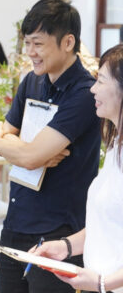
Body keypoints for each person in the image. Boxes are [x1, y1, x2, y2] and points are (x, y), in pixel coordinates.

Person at [0, 0, 101, 292]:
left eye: (37, 43)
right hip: (16, 222)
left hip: (57, 232)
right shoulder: (31, 82)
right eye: (27, 43)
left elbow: (25, 153)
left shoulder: (84, 93)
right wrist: (17, 148)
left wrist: (20, 149)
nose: (30, 52)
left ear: (68, 42)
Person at [31, 43, 123, 293]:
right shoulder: (115, 145)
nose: (93, 88)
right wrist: (65, 246)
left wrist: (103, 283)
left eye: (101, 81)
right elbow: (107, 225)